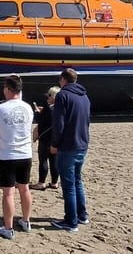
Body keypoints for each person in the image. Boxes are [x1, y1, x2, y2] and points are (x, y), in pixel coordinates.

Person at [0, 74, 34, 240]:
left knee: (8, 193)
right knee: (24, 188)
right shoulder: (28, 107)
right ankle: (26, 221)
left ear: (8, 89)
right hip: (25, 153)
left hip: (7, 155)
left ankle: (8, 227)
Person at [50, 68, 91, 232]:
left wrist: (55, 143)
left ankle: (71, 220)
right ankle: (82, 215)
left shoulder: (63, 95)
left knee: (68, 184)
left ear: (63, 80)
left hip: (68, 145)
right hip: (82, 142)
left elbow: (59, 123)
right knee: (77, 180)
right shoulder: (85, 96)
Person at [30, 86, 60, 191]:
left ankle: (41, 182)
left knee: (43, 160)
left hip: (45, 138)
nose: (47, 98)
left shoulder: (48, 108)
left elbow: (40, 120)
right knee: (54, 160)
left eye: (49, 95)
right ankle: (54, 182)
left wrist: (37, 111)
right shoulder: (61, 108)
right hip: (56, 138)